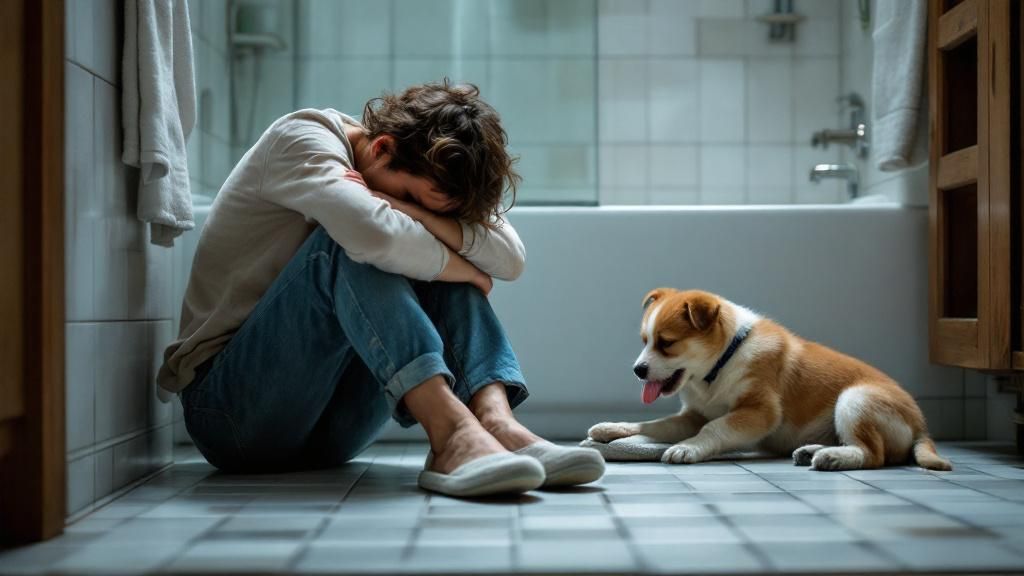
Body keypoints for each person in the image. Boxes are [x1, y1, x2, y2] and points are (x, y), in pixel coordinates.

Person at [156, 80, 605, 497]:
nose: (408, 209)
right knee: (348, 243)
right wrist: (461, 266)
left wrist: (416, 214)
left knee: (426, 254)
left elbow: (510, 257)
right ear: (383, 147)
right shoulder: (302, 140)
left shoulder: (415, 174)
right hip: (232, 417)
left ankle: (495, 423)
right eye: (410, 196)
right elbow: (375, 237)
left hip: (331, 431)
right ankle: (452, 436)